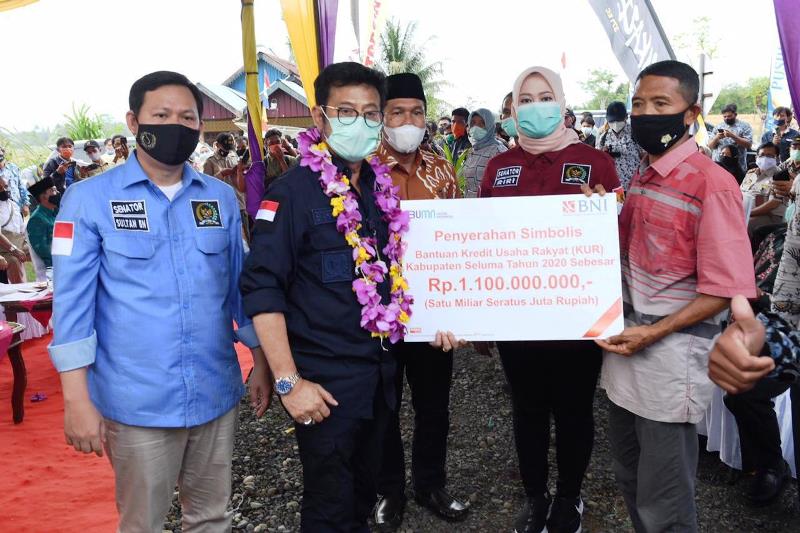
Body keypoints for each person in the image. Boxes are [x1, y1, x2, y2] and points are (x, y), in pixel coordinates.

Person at [48, 71, 269, 533]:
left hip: (214, 390)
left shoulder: (220, 199)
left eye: (187, 117)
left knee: (211, 517)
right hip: (137, 402)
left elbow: (239, 289)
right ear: (134, 121)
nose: (176, 125)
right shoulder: (88, 200)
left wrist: (263, 361)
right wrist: (76, 399)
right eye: (161, 115)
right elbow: (72, 306)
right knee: (142, 523)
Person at [597, 60, 756, 533]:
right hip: (625, 351)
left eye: (661, 104)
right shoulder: (643, 176)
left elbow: (725, 289)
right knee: (629, 475)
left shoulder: (712, 184)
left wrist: (656, 331)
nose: (647, 114)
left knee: (664, 499)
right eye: (639, 104)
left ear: (691, 113)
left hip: (669, 364)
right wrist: (588, 218)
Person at [240, 61, 399, 532]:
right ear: (319, 116)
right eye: (346, 111)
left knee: (362, 496)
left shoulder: (377, 188)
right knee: (329, 506)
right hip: (324, 386)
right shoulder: (289, 195)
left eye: (372, 113)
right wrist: (287, 381)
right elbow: (263, 287)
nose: (361, 122)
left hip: (379, 378)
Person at [479, 66, 621, 533]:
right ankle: (535, 496)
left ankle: (570, 498)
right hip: (517, 320)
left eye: (545, 97)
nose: (535, 106)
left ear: (561, 103)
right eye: (525, 99)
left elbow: (617, 234)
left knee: (576, 410)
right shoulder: (500, 167)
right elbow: (482, 240)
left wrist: (605, 210)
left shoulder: (595, 162)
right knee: (527, 411)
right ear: (512, 109)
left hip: (577, 322)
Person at [371, 72, 468, 530]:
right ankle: (388, 490)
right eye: (397, 112)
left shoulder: (442, 169)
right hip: (378, 317)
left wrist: (462, 310)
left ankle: (430, 483)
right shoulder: (361, 167)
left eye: (416, 112)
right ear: (382, 117)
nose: (407, 121)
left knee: (434, 406)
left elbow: (460, 242)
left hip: (433, 316)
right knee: (383, 406)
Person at [741, 142, 785, 235]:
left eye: (769, 156)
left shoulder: (780, 176)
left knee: (744, 225)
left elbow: (772, 204)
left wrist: (748, 214)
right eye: (761, 155)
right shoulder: (750, 174)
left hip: (770, 216)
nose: (765, 158)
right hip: (744, 214)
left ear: (777, 158)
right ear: (756, 157)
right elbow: (740, 194)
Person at [596, 101, 640, 191]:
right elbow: (598, 160)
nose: (615, 123)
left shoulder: (636, 134)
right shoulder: (603, 137)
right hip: (613, 187)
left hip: (633, 187)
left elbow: (645, 158)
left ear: (626, 117)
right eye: (612, 121)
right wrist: (604, 154)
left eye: (618, 120)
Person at [463, 109, 507, 197]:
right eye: (473, 123)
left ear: (490, 126)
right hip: (469, 205)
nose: (476, 127)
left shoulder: (498, 151)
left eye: (482, 123)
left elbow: (503, 187)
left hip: (488, 206)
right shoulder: (473, 150)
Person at [203, 132, 246, 218]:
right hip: (222, 205)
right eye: (224, 148)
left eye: (229, 148)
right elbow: (206, 186)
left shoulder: (234, 157)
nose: (227, 151)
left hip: (238, 203)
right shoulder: (210, 161)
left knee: (244, 230)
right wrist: (222, 174)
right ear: (217, 145)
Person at [708, 103, 752, 175]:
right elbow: (710, 146)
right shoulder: (718, 126)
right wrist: (717, 137)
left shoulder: (745, 126)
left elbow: (748, 144)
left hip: (737, 167)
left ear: (735, 114)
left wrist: (732, 136)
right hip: (718, 165)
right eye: (724, 117)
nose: (726, 118)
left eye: (729, 116)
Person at [0, 176, 29, 282]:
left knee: (39, 252)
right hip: (3, 250)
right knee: (14, 261)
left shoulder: (14, 205)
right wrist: (15, 250)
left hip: (18, 243)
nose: (4, 190)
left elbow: (21, 230)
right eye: (0, 188)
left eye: (6, 186)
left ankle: (46, 283)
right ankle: (20, 295)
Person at [26, 177, 59, 268]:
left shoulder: (56, 211)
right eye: (53, 190)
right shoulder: (36, 220)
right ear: (43, 196)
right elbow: (45, 252)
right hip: (54, 268)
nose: (57, 193)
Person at [0, 145, 31, 216]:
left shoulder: (13, 167)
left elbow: (21, 186)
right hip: (3, 212)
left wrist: (25, 204)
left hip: (18, 207)